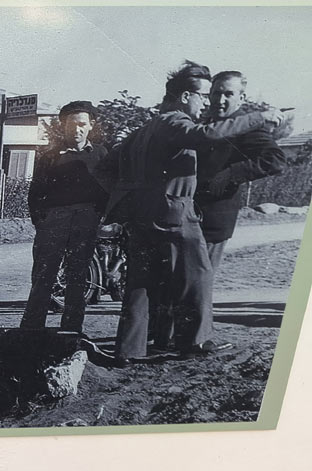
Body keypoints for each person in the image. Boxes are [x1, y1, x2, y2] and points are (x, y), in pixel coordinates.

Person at [104, 61, 286, 364]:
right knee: (198, 275)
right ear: (186, 95)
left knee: (142, 282)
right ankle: (195, 344)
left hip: (144, 214)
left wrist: (132, 193)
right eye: (205, 95)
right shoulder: (177, 122)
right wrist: (261, 116)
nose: (209, 102)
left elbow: (106, 166)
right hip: (177, 211)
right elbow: (208, 135)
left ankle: (129, 349)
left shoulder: (144, 129)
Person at [20, 101, 109, 332]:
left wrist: (98, 217)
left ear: (91, 125)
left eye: (82, 124)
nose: (76, 129)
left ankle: (71, 330)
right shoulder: (49, 156)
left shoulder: (101, 154)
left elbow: (107, 189)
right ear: (63, 126)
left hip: (86, 220)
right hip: (54, 222)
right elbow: (35, 195)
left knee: (77, 276)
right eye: (71, 124)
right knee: (43, 276)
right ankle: (31, 330)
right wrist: (43, 223)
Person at [196, 71, 286, 271]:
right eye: (216, 93)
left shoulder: (247, 127)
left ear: (241, 98)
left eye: (228, 94)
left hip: (213, 219)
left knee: (197, 288)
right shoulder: (205, 124)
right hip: (190, 218)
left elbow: (276, 160)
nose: (220, 100)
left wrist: (231, 174)